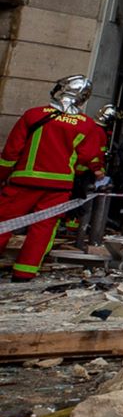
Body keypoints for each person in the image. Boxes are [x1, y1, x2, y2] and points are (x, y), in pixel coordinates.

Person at [0, 76, 95, 280]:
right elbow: (86, 158)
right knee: (43, 229)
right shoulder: (86, 125)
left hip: (24, 181)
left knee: (3, 223)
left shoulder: (34, 114)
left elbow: (11, 152)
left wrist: (2, 175)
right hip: (59, 187)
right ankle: (24, 274)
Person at [61, 103, 114, 238]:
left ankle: (72, 225)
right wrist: (97, 169)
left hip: (82, 171)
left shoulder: (95, 129)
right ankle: (71, 227)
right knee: (78, 199)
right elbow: (91, 153)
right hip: (83, 172)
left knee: (77, 198)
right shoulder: (98, 132)